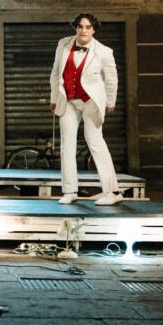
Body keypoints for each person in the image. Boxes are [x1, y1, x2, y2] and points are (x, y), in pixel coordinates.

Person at [49, 13, 122, 205]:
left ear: (94, 30)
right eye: (80, 26)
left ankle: (113, 192)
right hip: (68, 100)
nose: (83, 30)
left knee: (95, 142)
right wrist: (54, 98)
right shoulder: (63, 44)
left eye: (88, 27)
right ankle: (70, 191)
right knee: (67, 145)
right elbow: (55, 73)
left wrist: (110, 102)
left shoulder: (104, 52)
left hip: (91, 101)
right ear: (76, 28)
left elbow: (112, 79)